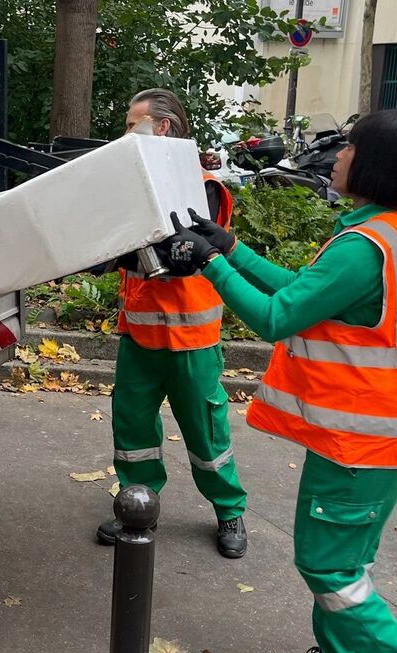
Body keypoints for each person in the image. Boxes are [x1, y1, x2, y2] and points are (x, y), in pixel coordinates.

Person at [153, 109, 397, 653]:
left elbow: (275, 316)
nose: (337, 157)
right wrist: (231, 248)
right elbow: (301, 290)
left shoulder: (365, 246)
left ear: (377, 165)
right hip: (373, 432)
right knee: (344, 563)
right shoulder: (383, 230)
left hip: (362, 441)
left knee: (332, 571)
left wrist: (209, 263)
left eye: (349, 149)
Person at [97, 88, 249, 559]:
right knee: (133, 429)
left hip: (191, 338)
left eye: (132, 122)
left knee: (206, 433)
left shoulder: (199, 184)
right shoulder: (136, 183)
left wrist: (119, 251)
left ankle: (229, 511)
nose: (126, 132)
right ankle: (138, 507)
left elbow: (181, 254)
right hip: (141, 336)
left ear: (162, 127)